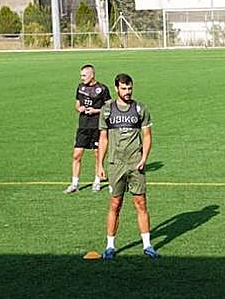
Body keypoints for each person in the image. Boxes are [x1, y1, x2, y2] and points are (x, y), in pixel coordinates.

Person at [98, 73, 157, 260]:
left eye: (129, 88)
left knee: (141, 203)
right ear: (116, 89)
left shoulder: (140, 109)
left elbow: (147, 136)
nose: (127, 92)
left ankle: (147, 245)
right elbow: (103, 139)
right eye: (123, 89)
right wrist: (99, 164)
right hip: (116, 165)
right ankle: (110, 246)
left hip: (135, 164)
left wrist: (144, 158)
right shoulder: (107, 110)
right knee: (115, 204)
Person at [65, 64, 111, 194]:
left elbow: (109, 108)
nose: (82, 78)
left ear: (92, 75)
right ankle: (75, 183)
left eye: (84, 75)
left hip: (97, 126)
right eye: (81, 76)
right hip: (83, 126)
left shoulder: (102, 89)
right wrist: (79, 108)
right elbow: (77, 103)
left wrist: (95, 110)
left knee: (97, 155)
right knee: (76, 154)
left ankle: (97, 181)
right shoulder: (80, 88)